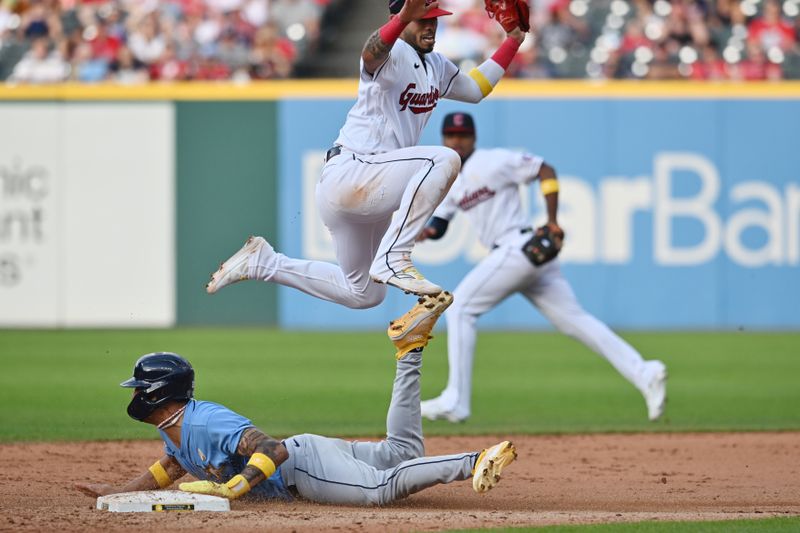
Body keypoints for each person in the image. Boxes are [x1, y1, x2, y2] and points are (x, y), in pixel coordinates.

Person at [206, 0, 528, 313]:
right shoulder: (393, 52)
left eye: (434, 18)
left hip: (372, 188)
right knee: (444, 160)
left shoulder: (437, 65)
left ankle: (264, 262)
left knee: (364, 293)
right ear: (401, 17)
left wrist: (513, 40)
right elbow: (371, 53)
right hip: (354, 171)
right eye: (423, 18)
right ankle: (396, 255)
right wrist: (403, 18)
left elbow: (475, 89)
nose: (431, 25)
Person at [75, 295, 518, 505]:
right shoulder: (176, 429)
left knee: (381, 491)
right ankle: (410, 352)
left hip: (303, 470)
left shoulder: (205, 421)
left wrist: (233, 487)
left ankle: (474, 460)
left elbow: (273, 448)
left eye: (138, 388)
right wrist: (117, 492)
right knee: (400, 453)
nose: (134, 396)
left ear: (159, 393)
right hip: (312, 454)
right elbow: (170, 468)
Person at [418, 112, 668, 423]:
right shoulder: (452, 179)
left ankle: (456, 400)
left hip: (518, 248)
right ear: (443, 139)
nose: (458, 141)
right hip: (522, 257)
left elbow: (544, 169)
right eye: (452, 136)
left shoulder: (494, 161)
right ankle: (645, 371)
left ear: (474, 138)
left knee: (460, 309)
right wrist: (426, 232)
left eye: (464, 135)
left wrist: (551, 220)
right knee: (574, 321)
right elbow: (441, 222)